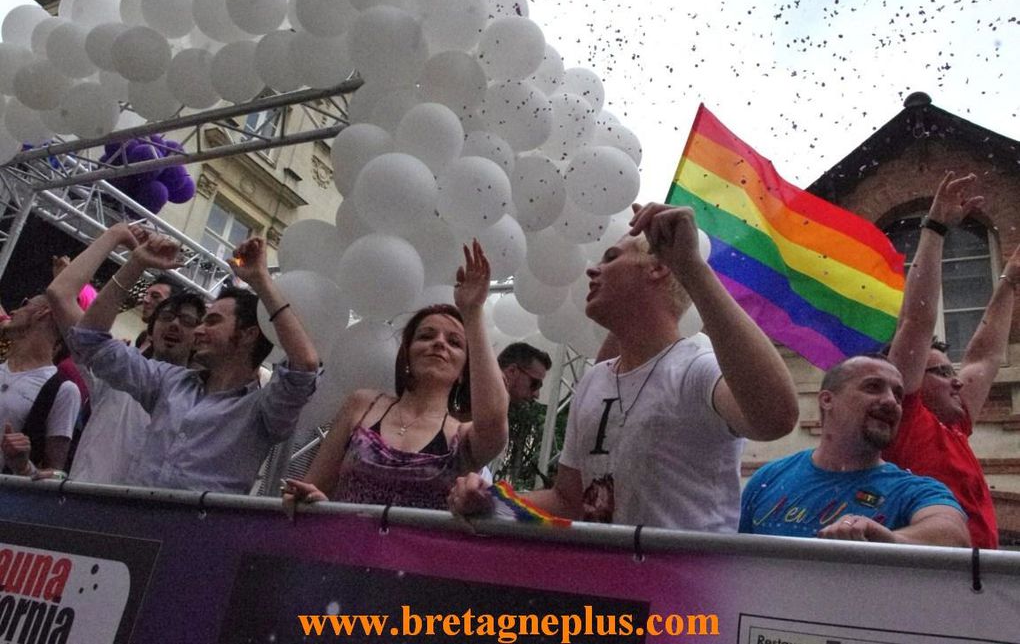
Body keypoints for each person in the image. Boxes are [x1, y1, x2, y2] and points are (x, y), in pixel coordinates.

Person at [449, 202, 799, 529]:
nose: (592, 268)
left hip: (685, 590)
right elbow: (568, 500)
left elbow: (775, 418)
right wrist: (490, 503)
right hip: (604, 588)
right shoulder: (594, 380)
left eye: (611, 257)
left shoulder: (697, 366)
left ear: (659, 268)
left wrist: (691, 266)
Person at [63, 228, 320, 493]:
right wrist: (137, 262)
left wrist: (261, 281)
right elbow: (89, 340)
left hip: (197, 534)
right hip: (130, 526)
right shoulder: (170, 382)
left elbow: (306, 365)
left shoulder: (263, 410)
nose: (198, 330)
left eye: (212, 321)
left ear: (248, 334)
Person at [283, 240, 509, 510]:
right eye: (426, 336)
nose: (439, 344)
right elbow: (314, 487)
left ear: (463, 372)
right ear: (407, 355)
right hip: (344, 548)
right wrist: (309, 500)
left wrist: (472, 312)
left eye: (455, 343)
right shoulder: (362, 405)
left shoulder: (464, 436)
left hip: (414, 553)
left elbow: (495, 419)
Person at [884, 171, 1018, 549]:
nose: (957, 380)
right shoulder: (907, 425)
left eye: (951, 371)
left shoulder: (954, 427)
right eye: (941, 372)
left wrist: (1009, 280)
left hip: (979, 583)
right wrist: (935, 227)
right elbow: (917, 320)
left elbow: (986, 356)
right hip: (938, 585)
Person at [739, 354, 969, 547]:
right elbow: (739, 563)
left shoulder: (911, 490)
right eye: (873, 387)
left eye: (898, 394)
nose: (891, 401)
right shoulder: (769, 478)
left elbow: (953, 534)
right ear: (827, 400)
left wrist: (889, 540)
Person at [46, 223, 205, 484]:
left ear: (200, 338)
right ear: (151, 331)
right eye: (166, 317)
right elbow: (60, 294)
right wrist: (117, 235)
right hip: (79, 510)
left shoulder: (205, 401)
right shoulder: (115, 370)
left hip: (140, 522)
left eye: (187, 321)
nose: (175, 325)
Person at [0, 294, 81, 476]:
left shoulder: (63, 389)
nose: (14, 311)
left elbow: (56, 474)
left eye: (24, 304)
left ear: (43, 313)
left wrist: (23, 466)